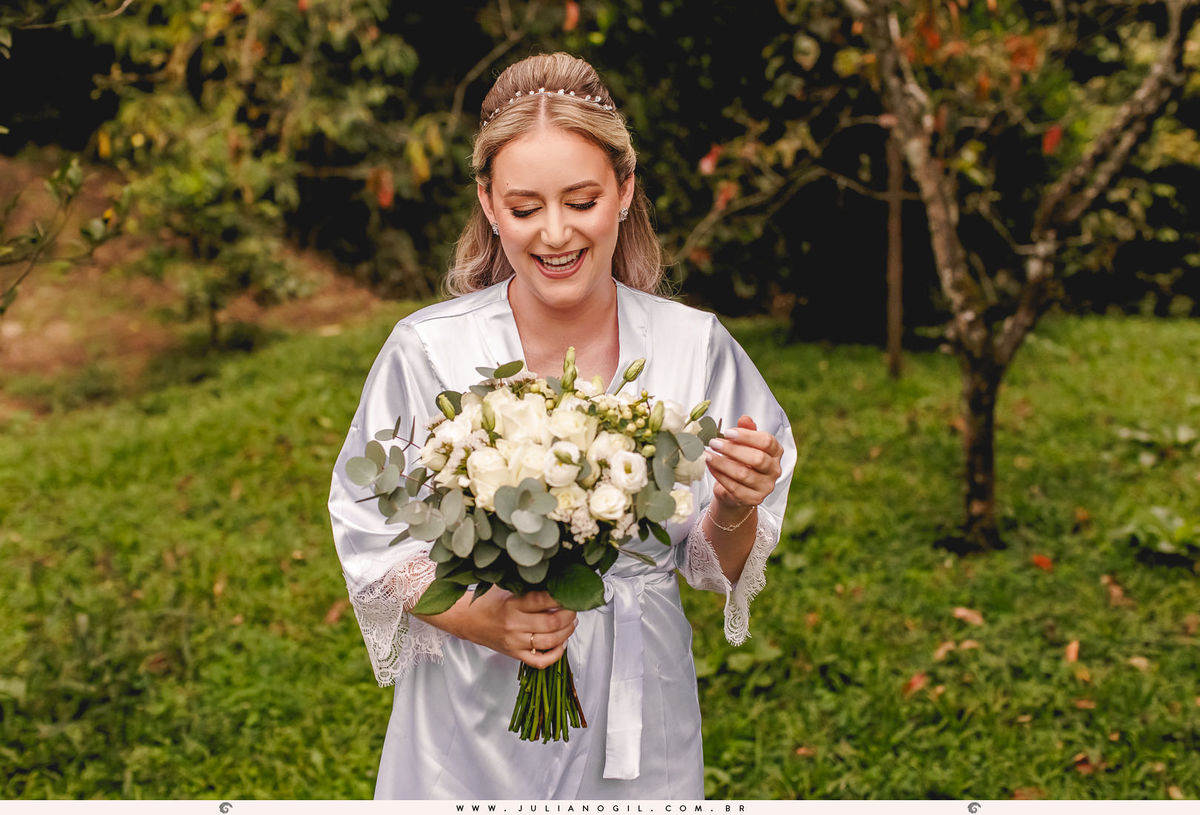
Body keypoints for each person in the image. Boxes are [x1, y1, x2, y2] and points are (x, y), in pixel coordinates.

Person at [328, 52, 796, 799]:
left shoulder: (694, 348)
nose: (554, 233)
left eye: (581, 200)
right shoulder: (429, 351)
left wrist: (734, 505)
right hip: (472, 711)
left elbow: (714, 565)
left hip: (641, 705)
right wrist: (487, 619)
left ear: (624, 189)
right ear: (487, 202)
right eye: (524, 208)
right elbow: (371, 536)